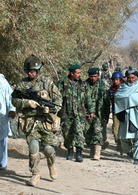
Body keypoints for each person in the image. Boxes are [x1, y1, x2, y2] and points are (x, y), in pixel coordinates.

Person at [12, 54, 62, 186]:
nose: (30, 73)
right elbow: (14, 99)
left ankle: (51, 165)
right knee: (33, 147)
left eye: (33, 71)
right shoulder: (22, 84)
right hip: (30, 122)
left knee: (48, 150)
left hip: (46, 122)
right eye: (28, 71)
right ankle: (35, 174)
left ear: (38, 71)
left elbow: (58, 101)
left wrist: (50, 110)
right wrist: (27, 103)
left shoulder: (48, 83)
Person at [114, 69, 138, 164]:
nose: (131, 79)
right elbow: (118, 97)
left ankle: (137, 157)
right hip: (126, 115)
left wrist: (136, 101)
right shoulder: (123, 87)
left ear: (136, 77)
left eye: (133, 77)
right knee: (123, 136)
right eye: (129, 78)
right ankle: (129, 152)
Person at [57, 64, 95, 163]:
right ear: (72, 73)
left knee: (79, 133)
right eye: (77, 73)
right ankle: (70, 151)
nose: (79, 75)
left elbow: (88, 98)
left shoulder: (83, 84)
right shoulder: (62, 83)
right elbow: (56, 97)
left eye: (80, 73)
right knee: (67, 132)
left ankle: (79, 153)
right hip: (66, 113)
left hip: (80, 113)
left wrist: (91, 110)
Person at [85, 67, 110, 160]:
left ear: (98, 76)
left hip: (99, 113)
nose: (93, 78)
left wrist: (107, 114)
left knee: (97, 131)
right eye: (91, 76)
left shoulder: (103, 85)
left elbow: (107, 102)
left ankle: (97, 153)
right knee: (88, 133)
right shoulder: (85, 85)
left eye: (95, 76)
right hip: (87, 112)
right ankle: (92, 151)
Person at [0, 74, 16, 171]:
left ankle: (3, 162)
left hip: (2, 116)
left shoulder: (2, 82)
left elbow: (10, 96)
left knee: (3, 140)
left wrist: (12, 108)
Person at [106, 72, 124, 154]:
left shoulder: (125, 88)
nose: (116, 81)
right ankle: (119, 146)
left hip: (125, 112)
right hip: (116, 112)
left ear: (120, 80)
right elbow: (107, 102)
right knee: (115, 131)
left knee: (127, 131)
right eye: (114, 80)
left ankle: (129, 148)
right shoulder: (110, 90)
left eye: (117, 79)